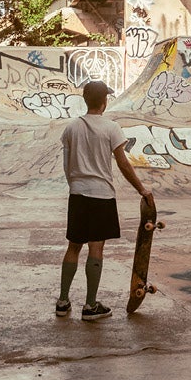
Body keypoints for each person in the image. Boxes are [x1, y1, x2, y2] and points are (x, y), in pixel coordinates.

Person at [54, 80, 149, 321]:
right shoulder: (111, 128)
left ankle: (63, 302)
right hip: (101, 195)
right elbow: (123, 163)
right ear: (104, 102)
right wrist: (141, 189)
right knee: (96, 247)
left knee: (74, 245)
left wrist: (75, 185)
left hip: (77, 193)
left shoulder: (71, 128)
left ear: (85, 100)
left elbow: (66, 164)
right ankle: (90, 305)